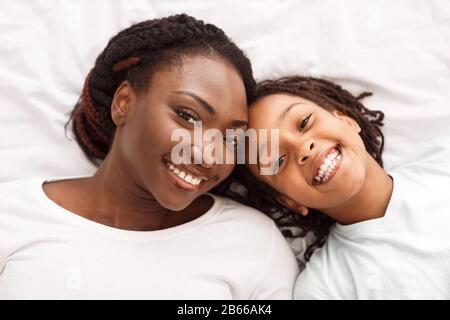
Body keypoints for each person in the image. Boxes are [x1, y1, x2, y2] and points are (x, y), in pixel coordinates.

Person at [0, 14, 298, 299]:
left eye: (230, 138)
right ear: (124, 102)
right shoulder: (12, 216)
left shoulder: (254, 246)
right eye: (187, 116)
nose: (209, 156)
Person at [241, 76, 450, 299]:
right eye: (277, 161)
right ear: (289, 201)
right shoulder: (324, 289)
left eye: (304, 123)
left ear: (347, 120)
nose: (303, 148)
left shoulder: (443, 164)